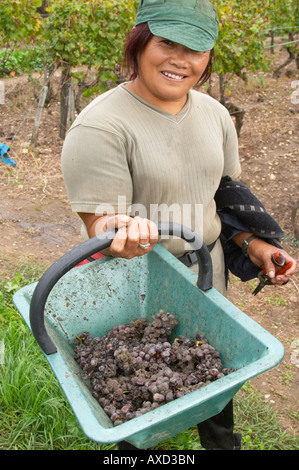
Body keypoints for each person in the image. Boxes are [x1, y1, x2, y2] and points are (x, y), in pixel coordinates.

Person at [61, 0, 297, 450]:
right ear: (139, 40)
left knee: (213, 369)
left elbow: (218, 195)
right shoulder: (102, 126)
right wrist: (120, 232)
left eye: (196, 48)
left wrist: (253, 243)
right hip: (141, 282)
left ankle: (221, 441)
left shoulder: (215, 115)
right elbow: (102, 222)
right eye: (167, 42)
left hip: (209, 272)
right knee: (139, 388)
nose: (180, 59)